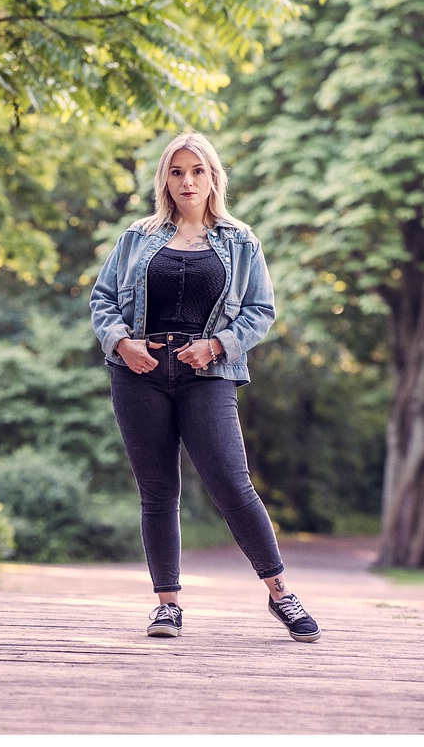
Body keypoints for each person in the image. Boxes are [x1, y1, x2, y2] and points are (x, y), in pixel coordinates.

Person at [89, 131, 320, 643]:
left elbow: (261, 311)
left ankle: (281, 593)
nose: (187, 181)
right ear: (164, 180)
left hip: (208, 375)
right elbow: (103, 300)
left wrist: (216, 346)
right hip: (139, 373)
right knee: (157, 492)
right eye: (177, 171)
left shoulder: (241, 241)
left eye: (197, 171)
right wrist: (122, 343)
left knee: (233, 486)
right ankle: (167, 605)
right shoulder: (136, 237)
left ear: (213, 177)